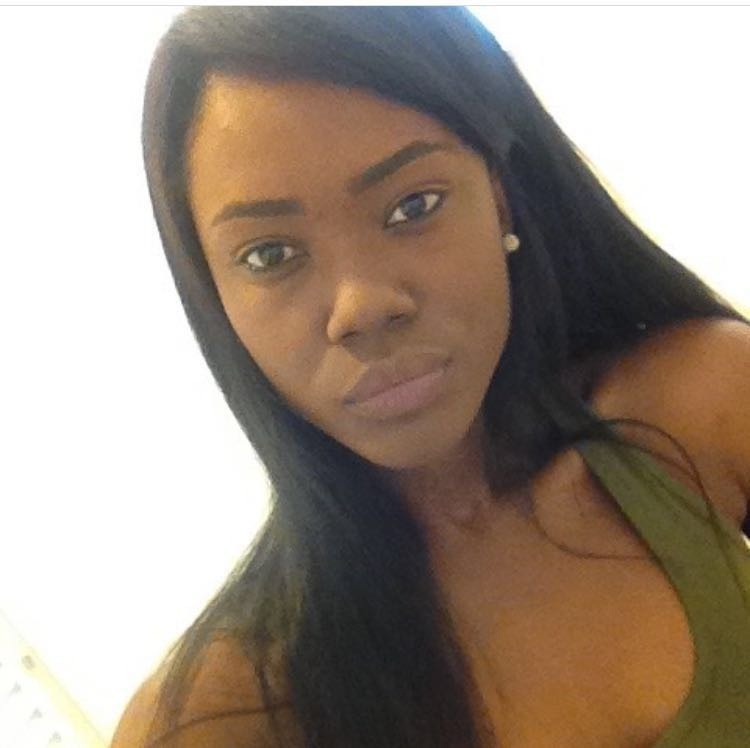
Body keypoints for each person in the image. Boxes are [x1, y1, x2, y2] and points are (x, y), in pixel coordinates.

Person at [113, 7, 750, 747]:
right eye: (269, 255)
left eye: (413, 206)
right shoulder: (219, 715)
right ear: (215, 296)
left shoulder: (698, 409)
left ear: (501, 195)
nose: (361, 307)